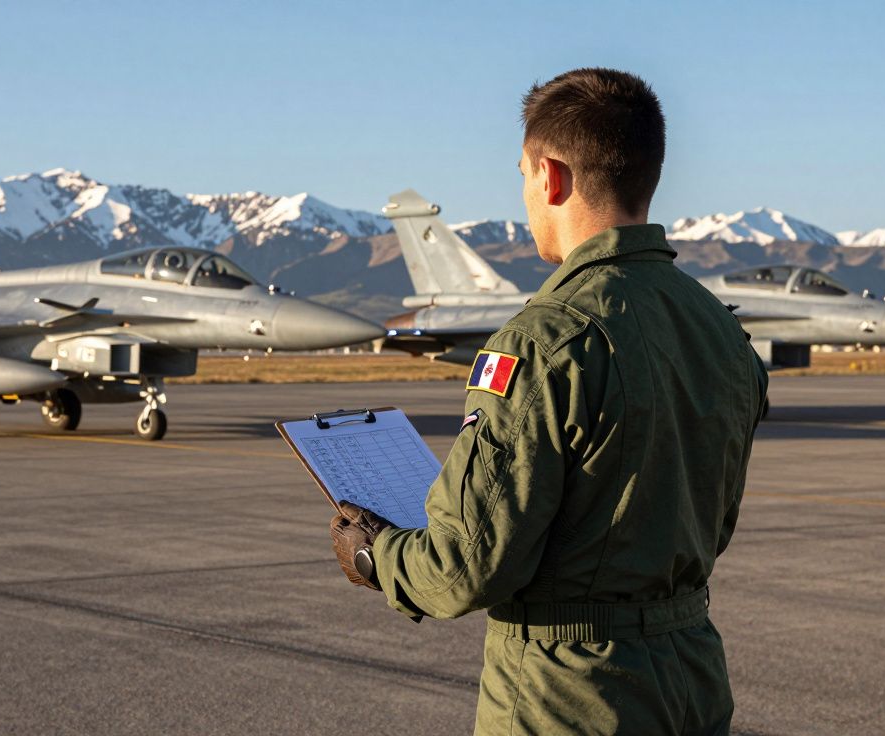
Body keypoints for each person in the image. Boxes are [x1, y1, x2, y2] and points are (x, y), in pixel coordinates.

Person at [329, 68, 768, 735]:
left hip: (569, 693)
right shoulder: (721, 330)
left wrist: (374, 557)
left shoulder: (545, 341)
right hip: (692, 676)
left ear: (551, 176)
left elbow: (465, 566)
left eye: (523, 176)